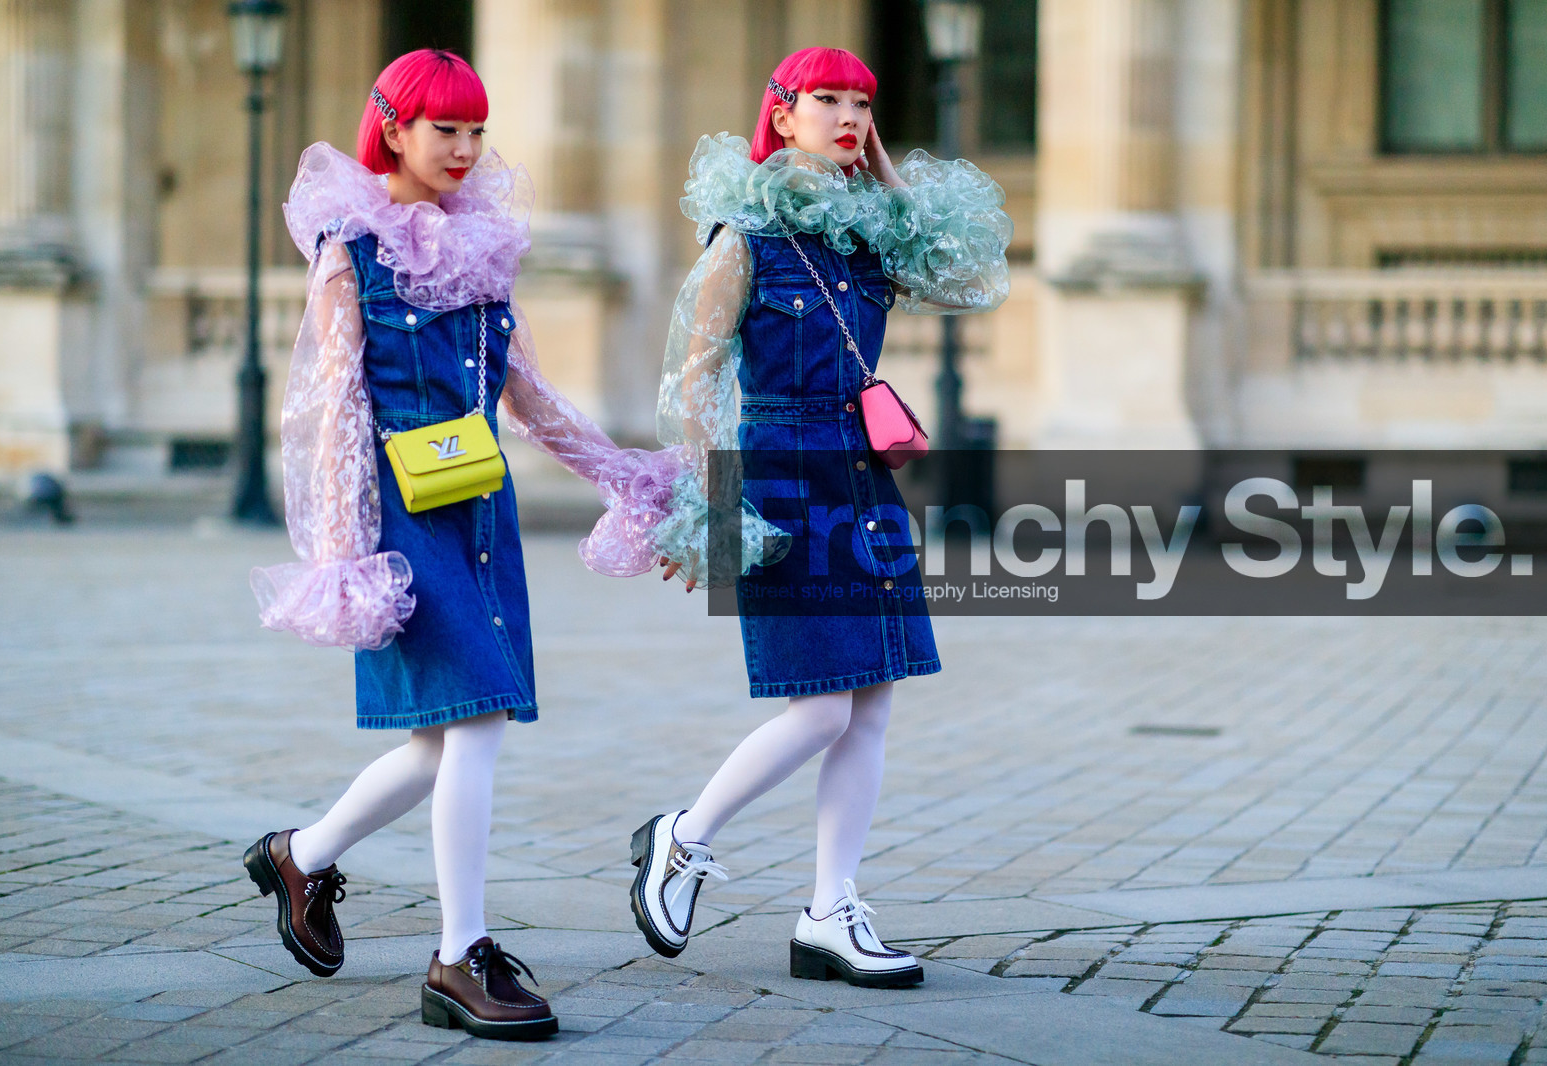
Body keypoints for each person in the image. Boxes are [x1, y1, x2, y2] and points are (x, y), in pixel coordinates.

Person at [244, 48, 669, 1042]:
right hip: (398, 514)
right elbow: (329, 407)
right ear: (392, 128)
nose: (467, 149)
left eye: (478, 131)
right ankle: (459, 953)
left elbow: (525, 393)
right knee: (472, 723)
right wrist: (346, 554)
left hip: (478, 505)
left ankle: (300, 857)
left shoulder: (479, 249)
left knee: (444, 735)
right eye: (447, 130)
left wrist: (620, 471)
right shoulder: (347, 250)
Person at [628, 46, 1013, 988]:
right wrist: (708, 506)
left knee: (871, 701)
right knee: (821, 706)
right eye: (826, 101)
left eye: (862, 103)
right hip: (782, 477)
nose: (847, 115)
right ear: (782, 114)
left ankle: (830, 913)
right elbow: (696, 374)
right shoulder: (746, 235)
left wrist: (884, 174)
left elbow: (971, 277)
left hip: (863, 477)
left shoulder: (871, 235)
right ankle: (681, 839)